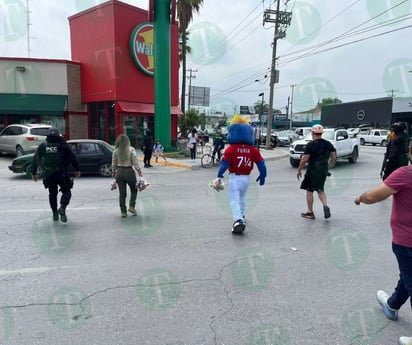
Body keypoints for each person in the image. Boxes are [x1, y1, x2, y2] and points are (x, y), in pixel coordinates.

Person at [354, 141, 412, 345]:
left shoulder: (406, 173)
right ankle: (392, 305)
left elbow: (375, 196)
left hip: (407, 242)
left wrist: (361, 197)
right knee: (407, 275)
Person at [216, 115, 267, 234]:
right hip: (246, 179)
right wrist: (263, 175)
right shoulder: (253, 150)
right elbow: (261, 164)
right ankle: (242, 216)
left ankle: (238, 220)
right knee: (243, 198)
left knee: (234, 200)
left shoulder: (231, 149)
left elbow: (225, 164)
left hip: (235, 177)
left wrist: (219, 174)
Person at [31, 127, 81, 223]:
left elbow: (36, 159)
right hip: (62, 173)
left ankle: (54, 213)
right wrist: (77, 169)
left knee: (52, 194)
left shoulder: (43, 146)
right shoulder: (63, 145)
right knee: (67, 191)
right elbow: (73, 157)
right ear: (59, 135)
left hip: (49, 174)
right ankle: (62, 207)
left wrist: (34, 173)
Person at [297, 124, 336, 220]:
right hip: (323, 171)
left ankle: (310, 212)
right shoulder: (328, 144)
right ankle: (325, 205)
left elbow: (304, 159)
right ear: (322, 133)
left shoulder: (310, 145)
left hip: (312, 171)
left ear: (312, 133)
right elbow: (334, 156)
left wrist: (299, 170)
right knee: (320, 190)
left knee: (309, 191)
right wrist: (329, 165)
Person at [111, 134, 143, 218]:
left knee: (122, 193)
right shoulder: (131, 150)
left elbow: (113, 163)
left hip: (120, 172)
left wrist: (113, 172)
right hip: (129, 171)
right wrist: (139, 171)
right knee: (134, 190)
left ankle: (123, 212)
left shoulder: (116, 151)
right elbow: (135, 162)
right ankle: (132, 206)